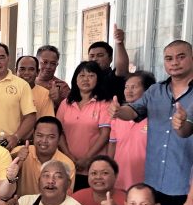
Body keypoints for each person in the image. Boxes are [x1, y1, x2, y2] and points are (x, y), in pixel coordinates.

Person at [110, 39, 193, 205]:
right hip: (155, 184)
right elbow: (132, 111)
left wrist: (183, 124)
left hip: (186, 186)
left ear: (191, 58)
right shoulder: (156, 91)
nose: (174, 62)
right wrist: (118, 111)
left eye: (181, 56)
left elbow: (186, 130)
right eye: (169, 58)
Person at [57, 61, 112, 191]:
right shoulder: (66, 103)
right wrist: (69, 156)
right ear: (75, 79)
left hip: (93, 166)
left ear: (98, 79)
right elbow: (58, 132)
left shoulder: (104, 103)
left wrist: (87, 158)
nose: (86, 79)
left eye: (91, 76)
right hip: (68, 164)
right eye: (82, 75)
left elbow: (105, 134)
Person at [107, 71, 156, 190]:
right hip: (119, 178)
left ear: (147, 91)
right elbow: (112, 145)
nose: (128, 91)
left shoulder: (155, 118)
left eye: (134, 87)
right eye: (126, 87)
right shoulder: (118, 114)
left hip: (145, 181)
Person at [11, 116, 75, 197]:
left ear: (59, 139)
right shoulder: (20, 151)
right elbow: (5, 179)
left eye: (51, 137)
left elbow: (65, 196)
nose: (44, 141)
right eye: (39, 135)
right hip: (22, 203)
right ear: (33, 135)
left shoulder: (67, 164)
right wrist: (16, 157)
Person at [87, 26, 129, 102]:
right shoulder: (84, 78)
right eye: (92, 56)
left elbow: (122, 67)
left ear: (110, 58)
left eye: (100, 55)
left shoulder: (113, 77)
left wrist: (119, 43)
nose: (94, 59)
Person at [15, 55, 54, 123]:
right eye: (22, 69)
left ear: (37, 72)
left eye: (31, 69)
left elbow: (47, 123)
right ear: (16, 71)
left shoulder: (45, 94)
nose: (26, 73)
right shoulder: (7, 90)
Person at [35, 45, 70, 110]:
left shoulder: (62, 86)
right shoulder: (28, 82)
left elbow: (70, 111)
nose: (48, 66)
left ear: (57, 65)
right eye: (45, 62)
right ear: (36, 62)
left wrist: (58, 100)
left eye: (53, 63)